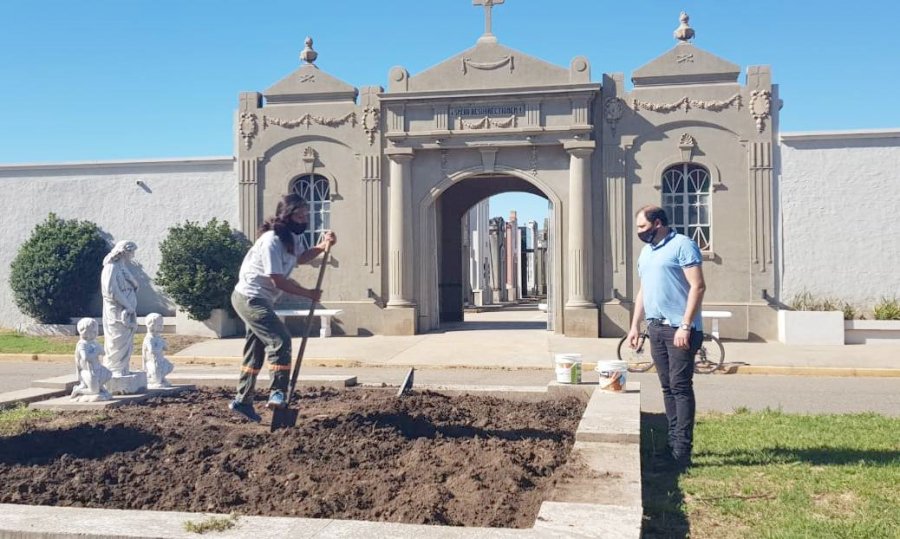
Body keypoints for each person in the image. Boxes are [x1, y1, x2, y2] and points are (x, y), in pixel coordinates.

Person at [229, 193, 336, 422]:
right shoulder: (271, 240)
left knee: (255, 351)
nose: (304, 219)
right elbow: (278, 280)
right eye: (299, 215)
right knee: (280, 340)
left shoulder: (291, 239)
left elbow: (300, 258)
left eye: (306, 214)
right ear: (286, 216)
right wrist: (308, 294)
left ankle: (242, 401)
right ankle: (278, 392)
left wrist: (322, 246)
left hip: (261, 299)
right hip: (249, 298)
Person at [626, 205, 706, 471]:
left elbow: (698, 285)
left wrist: (685, 325)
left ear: (657, 223)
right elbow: (643, 291)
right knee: (667, 387)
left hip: (680, 330)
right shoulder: (646, 252)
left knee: (680, 387)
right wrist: (635, 325)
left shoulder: (683, 245)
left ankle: (681, 451)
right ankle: (672, 445)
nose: (639, 232)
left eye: (642, 227)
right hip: (656, 328)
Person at [101, 240, 139, 377]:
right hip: (117, 311)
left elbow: (132, 285)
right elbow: (111, 291)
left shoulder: (121, 267)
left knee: (125, 340)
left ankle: (123, 368)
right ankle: (114, 368)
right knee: (116, 340)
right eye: (132, 252)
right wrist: (128, 305)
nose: (133, 256)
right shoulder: (111, 267)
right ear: (125, 251)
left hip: (127, 311)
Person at [71, 317, 112, 401]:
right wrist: (95, 352)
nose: (96, 333)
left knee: (108, 374)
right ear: (85, 332)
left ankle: (98, 386)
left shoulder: (94, 342)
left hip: (97, 368)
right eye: (94, 332)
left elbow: (103, 352)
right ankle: (78, 390)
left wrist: (98, 349)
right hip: (88, 371)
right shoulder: (82, 344)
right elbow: (85, 357)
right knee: (94, 391)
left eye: (96, 331)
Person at [142, 313, 173, 388]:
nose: (162, 327)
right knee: (157, 379)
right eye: (159, 325)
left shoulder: (158, 337)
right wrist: (160, 344)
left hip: (160, 360)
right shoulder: (149, 338)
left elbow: (166, 348)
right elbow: (152, 350)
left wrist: (164, 343)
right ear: (151, 326)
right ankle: (153, 380)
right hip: (152, 362)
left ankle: (161, 378)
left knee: (169, 366)